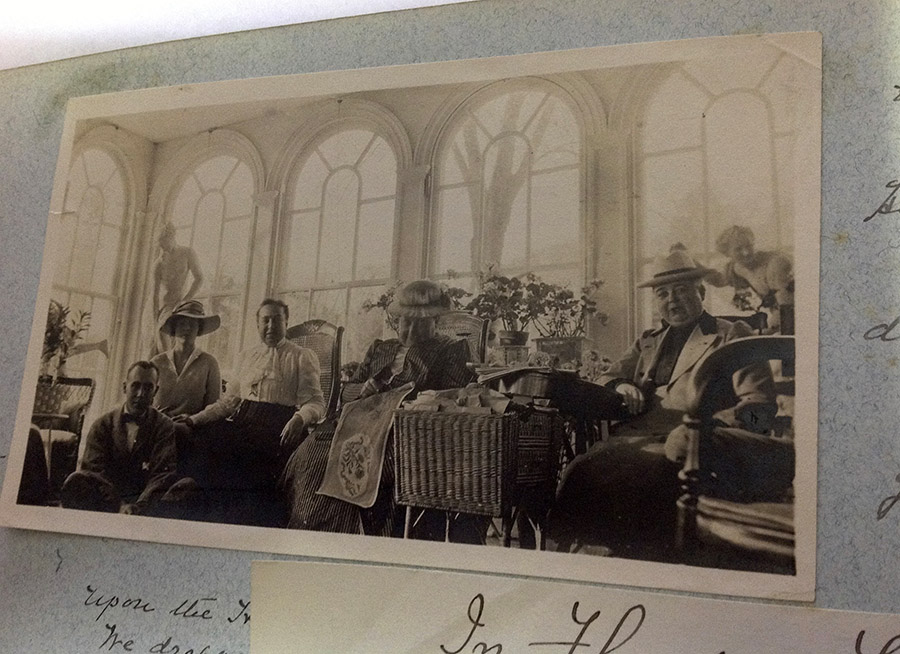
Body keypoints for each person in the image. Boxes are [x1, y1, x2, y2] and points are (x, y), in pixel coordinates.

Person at [548, 249, 789, 559]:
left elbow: (759, 407)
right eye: (663, 294)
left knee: (642, 475)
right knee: (582, 467)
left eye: (681, 291)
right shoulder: (647, 341)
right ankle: (597, 553)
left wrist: (709, 431)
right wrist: (622, 384)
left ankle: (643, 558)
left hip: (693, 447)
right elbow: (608, 376)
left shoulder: (731, 336)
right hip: (637, 438)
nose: (672, 300)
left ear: (701, 292)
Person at [281, 279, 477, 540]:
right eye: (406, 320)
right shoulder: (380, 348)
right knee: (313, 452)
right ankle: (309, 533)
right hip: (351, 421)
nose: (411, 328)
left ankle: (362, 540)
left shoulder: (451, 349)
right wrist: (362, 390)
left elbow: (454, 395)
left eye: (421, 322)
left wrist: (409, 397)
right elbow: (345, 392)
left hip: (402, 429)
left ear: (436, 321)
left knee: (375, 465)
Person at [175, 299, 325, 523]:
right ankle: (205, 517)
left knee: (244, 465)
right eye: (265, 320)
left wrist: (299, 418)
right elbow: (228, 403)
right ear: (258, 324)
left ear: (286, 322)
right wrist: (193, 420)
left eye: (277, 320)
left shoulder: (300, 356)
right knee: (200, 439)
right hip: (243, 423)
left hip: (279, 427)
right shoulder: (246, 356)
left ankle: (239, 521)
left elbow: (316, 403)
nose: (271, 326)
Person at [59, 361, 195, 515]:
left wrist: (139, 506)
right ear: (125, 387)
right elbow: (94, 470)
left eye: (148, 387)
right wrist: (120, 505)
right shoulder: (102, 424)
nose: (140, 394)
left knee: (187, 486)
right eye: (135, 386)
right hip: (108, 499)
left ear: (155, 391)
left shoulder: (164, 426)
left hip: (148, 501)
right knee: (76, 480)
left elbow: (162, 473)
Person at [704, 225, 794, 333]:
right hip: (778, 319)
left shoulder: (775, 264)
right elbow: (718, 280)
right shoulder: (737, 268)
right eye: (738, 249)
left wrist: (769, 331)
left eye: (749, 246)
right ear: (727, 253)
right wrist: (692, 265)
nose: (746, 252)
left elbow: (787, 307)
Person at [151, 299, 222, 418]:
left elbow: (213, 408)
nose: (187, 328)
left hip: (192, 430)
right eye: (182, 323)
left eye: (193, 324)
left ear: (199, 330)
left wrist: (191, 420)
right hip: (157, 429)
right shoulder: (157, 362)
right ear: (174, 328)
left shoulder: (209, 363)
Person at [151, 222, 204, 355]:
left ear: (172, 237)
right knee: (163, 339)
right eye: (161, 247)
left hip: (181, 304)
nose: (164, 250)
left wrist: (186, 300)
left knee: (180, 343)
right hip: (164, 307)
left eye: (165, 244)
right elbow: (154, 295)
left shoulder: (187, 253)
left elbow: (199, 278)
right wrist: (155, 316)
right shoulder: (158, 264)